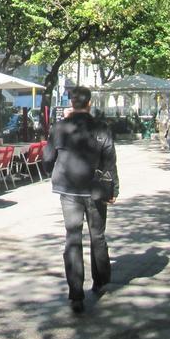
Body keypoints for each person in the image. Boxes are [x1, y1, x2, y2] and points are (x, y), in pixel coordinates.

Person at [42, 86, 117, 314]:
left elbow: (47, 158)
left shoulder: (59, 128)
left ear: (71, 103)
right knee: (98, 235)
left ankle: (76, 294)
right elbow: (110, 160)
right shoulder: (102, 128)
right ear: (90, 103)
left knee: (73, 237)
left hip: (69, 189)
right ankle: (101, 281)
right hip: (95, 189)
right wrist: (113, 188)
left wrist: (52, 171)